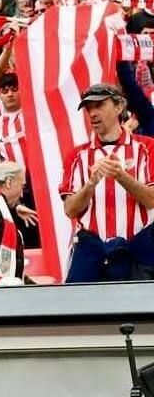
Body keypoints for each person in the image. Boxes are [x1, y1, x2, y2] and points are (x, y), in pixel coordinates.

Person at [60, 83, 154, 283]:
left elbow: (152, 200)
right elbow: (70, 209)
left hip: (137, 246)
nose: (92, 113)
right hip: (92, 248)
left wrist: (122, 177)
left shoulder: (147, 147)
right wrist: (91, 184)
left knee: (141, 310)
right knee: (75, 309)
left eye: (99, 105)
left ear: (119, 107)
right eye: (88, 108)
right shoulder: (77, 155)